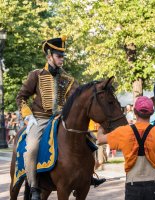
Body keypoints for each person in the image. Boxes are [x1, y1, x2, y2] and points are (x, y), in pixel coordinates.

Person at [16, 36, 104, 200]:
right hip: (40, 119)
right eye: (59, 56)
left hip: (61, 119)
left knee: (89, 142)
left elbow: (78, 98)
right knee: (32, 148)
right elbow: (21, 97)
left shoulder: (68, 79)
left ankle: (88, 176)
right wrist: (28, 116)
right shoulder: (36, 75)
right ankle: (34, 186)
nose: (62, 59)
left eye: (63, 56)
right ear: (49, 56)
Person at [97, 96, 155, 200]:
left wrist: (102, 125)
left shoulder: (123, 132)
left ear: (135, 112)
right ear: (152, 112)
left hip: (133, 187)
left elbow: (100, 139)